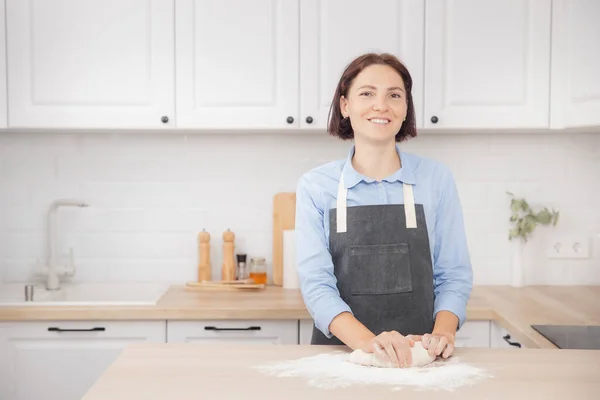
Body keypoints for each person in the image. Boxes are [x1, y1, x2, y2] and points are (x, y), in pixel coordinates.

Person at [294, 53, 473, 368]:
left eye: (394, 95)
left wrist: (443, 334)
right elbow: (316, 283)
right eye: (366, 93)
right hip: (342, 359)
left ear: (406, 108)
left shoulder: (436, 179)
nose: (381, 105)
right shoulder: (315, 186)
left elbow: (453, 274)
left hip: (422, 358)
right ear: (345, 106)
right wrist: (370, 345)